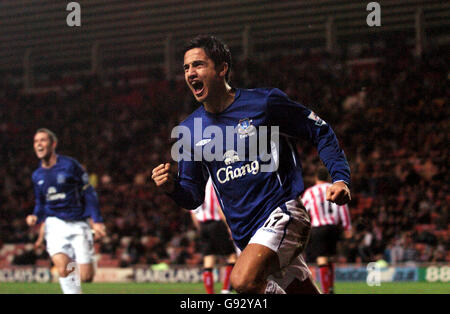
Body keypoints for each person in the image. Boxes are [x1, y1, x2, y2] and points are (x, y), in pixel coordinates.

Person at [152, 35, 351, 294]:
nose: (190, 73)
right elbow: (192, 197)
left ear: (222, 68)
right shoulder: (189, 130)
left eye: (199, 65)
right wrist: (170, 187)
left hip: (282, 213)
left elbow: (319, 130)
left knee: (243, 282)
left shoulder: (264, 103)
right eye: (186, 68)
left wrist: (339, 177)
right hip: (247, 236)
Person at [26, 128, 106, 294]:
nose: (38, 144)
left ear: (53, 144)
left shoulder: (70, 165)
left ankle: (84, 252)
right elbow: (40, 202)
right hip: (54, 224)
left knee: (86, 277)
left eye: (43, 140)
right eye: (36, 141)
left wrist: (96, 220)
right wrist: (35, 215)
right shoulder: (37, 175)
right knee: (63, 268)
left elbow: (88, 191)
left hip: (78, 222)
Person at [301, 167, 352, 294]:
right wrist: (347, 227)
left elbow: (303, 209)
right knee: (330, 259)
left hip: (319, 228)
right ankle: (331, 288)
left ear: (316, 178)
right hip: (334, 228)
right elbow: (343, 208)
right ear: (327, 178)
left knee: (322, 259)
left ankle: (326, 291)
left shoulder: (310, 192)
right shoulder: (335, 188)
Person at [190, 177, 237, 294]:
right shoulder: (214, 180)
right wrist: (229, 226)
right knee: (232, 257)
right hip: (216, 224)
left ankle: (210, 293)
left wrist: (200, 229)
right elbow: (220, 206)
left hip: (202, 226)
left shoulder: (195, 184)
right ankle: (226, 291)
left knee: (208, 259)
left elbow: (192, 212)